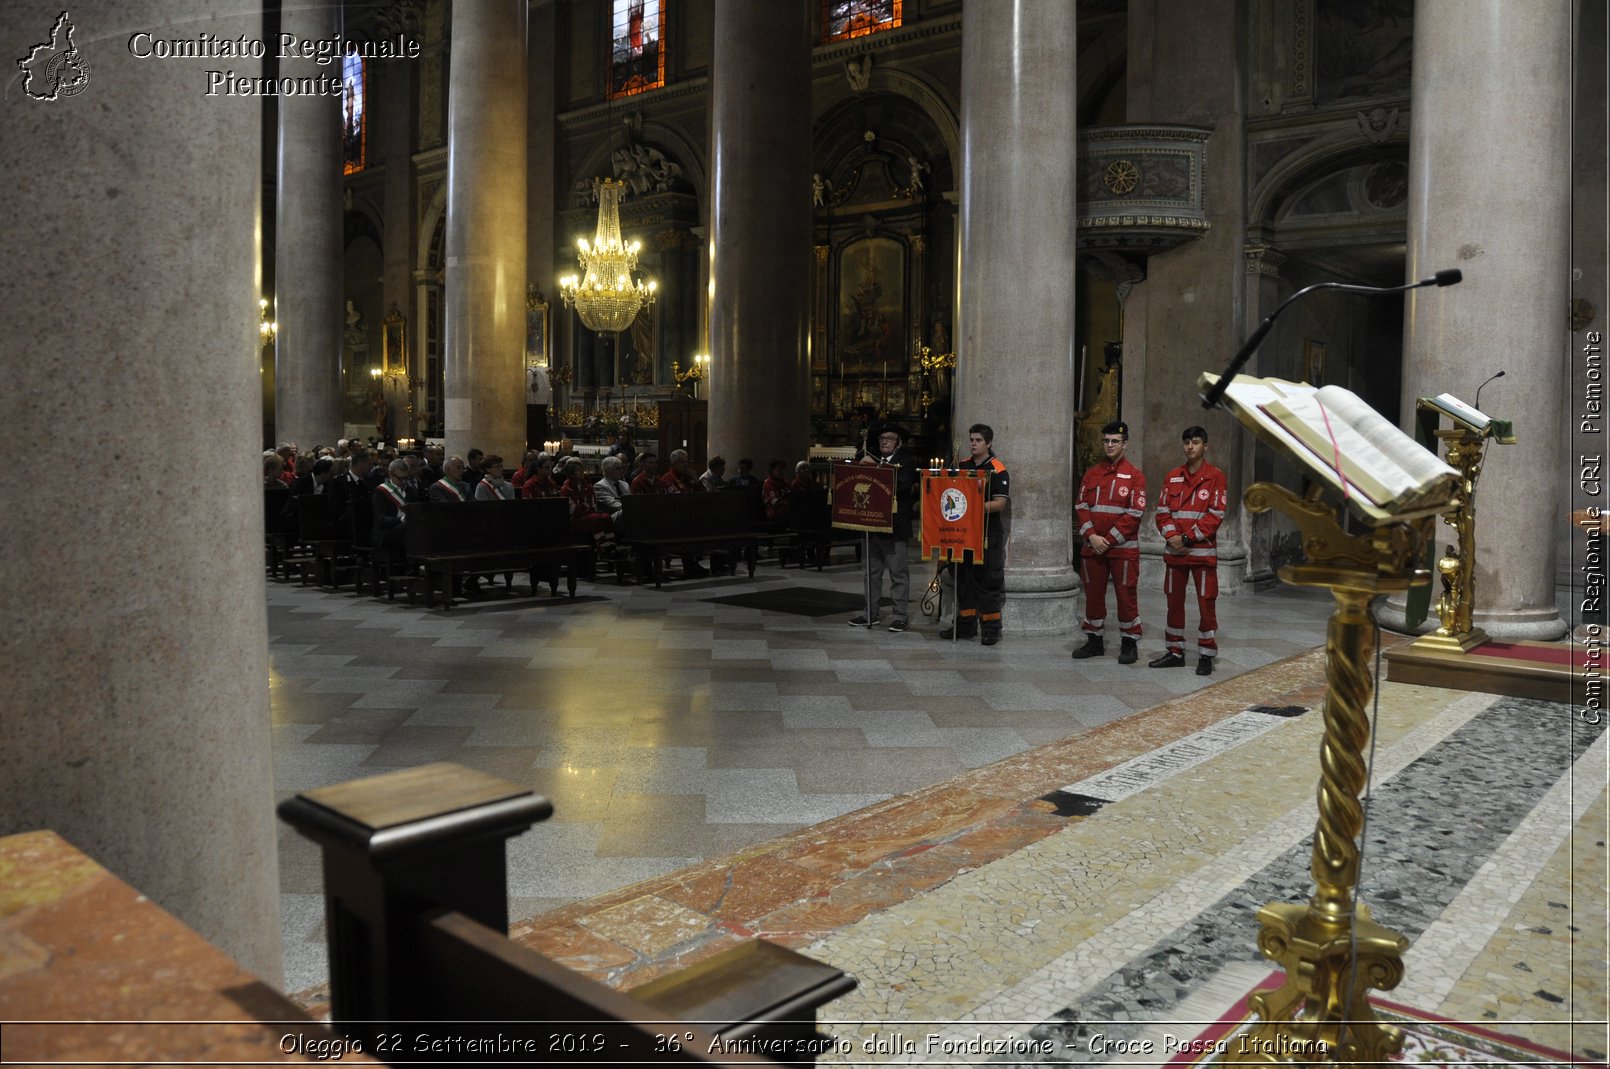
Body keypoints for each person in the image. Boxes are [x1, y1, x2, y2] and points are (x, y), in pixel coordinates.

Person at [1150, 425, 1228, 675]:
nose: (1190, 447)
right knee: (1174, 603)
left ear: (1205, 446)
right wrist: (1172, 536)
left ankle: (1206, 654)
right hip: (1176, 555)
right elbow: (1162, 512)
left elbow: (1215, 515)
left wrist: (1185, 537)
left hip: (1202, 555)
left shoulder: (1216, 476)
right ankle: (1175, 651)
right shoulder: (1172, 475)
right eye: (1187, 443)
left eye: (1195, 442)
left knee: (1206, 604)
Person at [1072, 420, 1147, 664]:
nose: (1110, 445)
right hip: (1093, 548)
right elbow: (1081, 506)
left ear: (1125, 444)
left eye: (1115, 441)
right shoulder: (1092, 473)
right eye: (1106, 441)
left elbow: (1135, 513)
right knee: (1093, 595)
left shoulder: (1135, 476)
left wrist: (1109, 539)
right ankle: (1094, 641)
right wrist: (1092, 536)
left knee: (1126, 597)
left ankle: (1129, 643)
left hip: (1123, 550)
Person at [942, 424, 1009, 645]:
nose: (973, 444)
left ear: (988, 443)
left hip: (987, 531)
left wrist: (971, 506)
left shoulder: (997, 469)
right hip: (962, 531)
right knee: (963, 577)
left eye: (978, 440)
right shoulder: (961, 466)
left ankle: (990, 629)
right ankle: (965, 624)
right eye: (971, 440)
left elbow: (999, 504)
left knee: (988, 579)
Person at [849, 424, 918, 633]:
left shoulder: (906, 461)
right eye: (881, 438)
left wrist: (877, 467)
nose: (884, 441)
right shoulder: (870, 457)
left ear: (899, 442)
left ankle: (899, 616)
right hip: (871, 525)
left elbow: (903, 484)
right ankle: (870, 613)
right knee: (871, 573)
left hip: (895, 527)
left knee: (898, 574)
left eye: (889, 438)